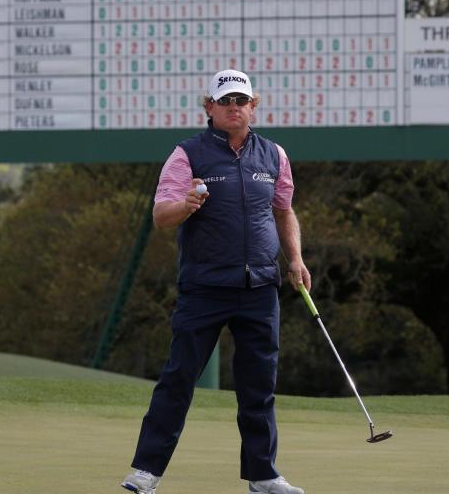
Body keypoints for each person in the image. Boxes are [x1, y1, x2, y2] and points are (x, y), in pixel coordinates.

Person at [120, 69, 312, 494]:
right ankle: (146, 472)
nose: (233, 108)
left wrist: (295, 260)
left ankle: (262, 475)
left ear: (253, 105)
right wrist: (185, 205)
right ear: (209, 107)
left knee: (258, 386)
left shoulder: (274, 156)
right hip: (205, 286)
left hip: (261, 287)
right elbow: (160, 217)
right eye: (224, 101)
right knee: (179, 378)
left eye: (241, 101)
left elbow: (283, 211)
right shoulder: (186, 154)